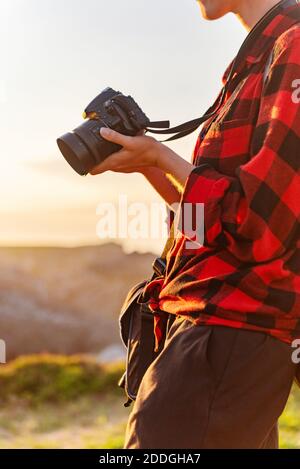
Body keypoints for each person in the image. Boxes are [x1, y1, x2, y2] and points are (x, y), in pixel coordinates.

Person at [90, 0, 300, 449]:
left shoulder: (293, 46)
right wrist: (147, 164)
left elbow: (264, 221)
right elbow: (207, 227)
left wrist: (162, 157)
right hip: (222, 334)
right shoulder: (258, 57)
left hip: (228, 333)